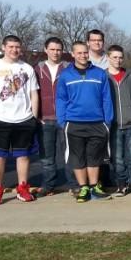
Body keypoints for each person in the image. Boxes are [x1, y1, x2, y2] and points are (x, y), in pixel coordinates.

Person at [0, 35, 40, 205]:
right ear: (4, 47)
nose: (14, 50)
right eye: (11, 46)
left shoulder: (27, 68)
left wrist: (34, 117)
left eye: (17, 47)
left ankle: (23, 189)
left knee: (23, 156)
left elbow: (33, 94)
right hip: (0, 119)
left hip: (24, 119)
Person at [56, 41, 114, 203]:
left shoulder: (100, 73)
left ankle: (95, 186)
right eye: (79, 53)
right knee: (77, 157)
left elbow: (106, 98)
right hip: (73, 122)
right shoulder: (65, 75)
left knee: (94, 157)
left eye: (85, 53)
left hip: (97, 122)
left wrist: (107, 121)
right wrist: (62, 121)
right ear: (73, 54)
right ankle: (83, 188)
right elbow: (61, 99)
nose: (83, 55)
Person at [35, 36, 76, 197]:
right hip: (44, 120)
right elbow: (32, 93)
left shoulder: (69, 69)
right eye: (52, 49)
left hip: (64, 119)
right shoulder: (36, 69)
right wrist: (36, 115)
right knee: (46, 157)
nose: (55, 52)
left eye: (58, 49)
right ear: (45, 50)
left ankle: (74, 184)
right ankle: (48, 185)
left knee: (69, 154)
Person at [106, 45, 131, 196]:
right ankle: (121, 184)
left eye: (120, 57)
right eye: (114, 57)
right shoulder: (104, 76)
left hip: (130, 123)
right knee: (117, 159)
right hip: (113, 124)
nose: (118, 60)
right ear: (108, 58)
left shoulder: (130, 75)